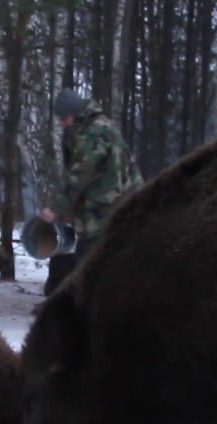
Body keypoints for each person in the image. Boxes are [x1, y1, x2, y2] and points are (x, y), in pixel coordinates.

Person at [41, 88, 143, 295]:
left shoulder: (94, 133)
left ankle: (85, 307)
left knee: (89, 260)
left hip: (111, 207)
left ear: (75, 113)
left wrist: (56, 207)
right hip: (108, 204)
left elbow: (80, 175)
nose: (63, 123)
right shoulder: (86, 129)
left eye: (64, 117)